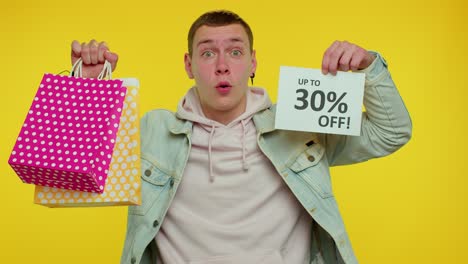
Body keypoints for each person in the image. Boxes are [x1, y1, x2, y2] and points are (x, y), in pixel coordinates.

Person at [71, 10, 412, 264]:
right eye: (207, 53)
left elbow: (391, 132)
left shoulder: (296, 124)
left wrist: (369, 69)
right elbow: (72, 173)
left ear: (252, 63)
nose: (222, 65)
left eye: (235, 52)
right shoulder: (153, 131)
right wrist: (83, 87)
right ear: (189, 65)